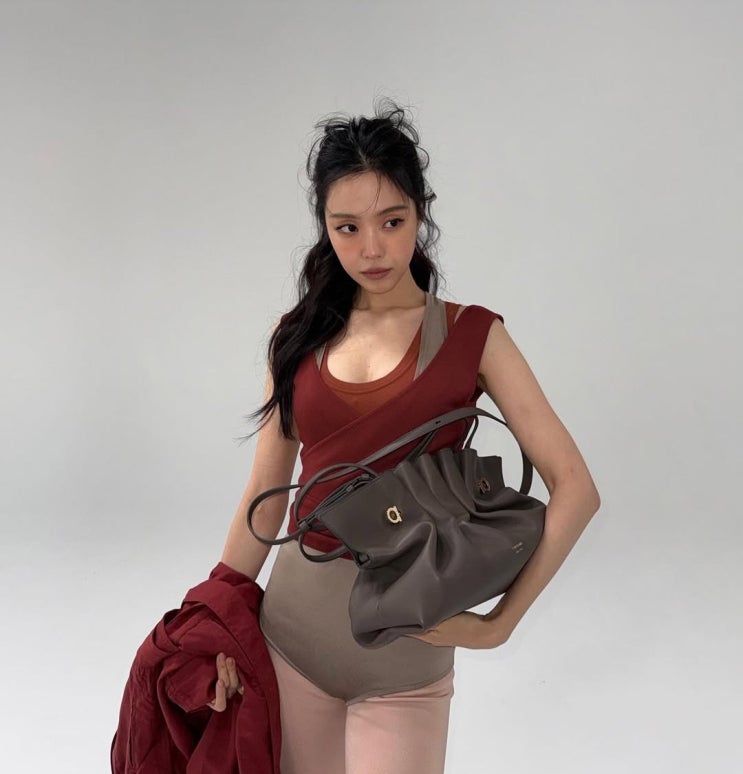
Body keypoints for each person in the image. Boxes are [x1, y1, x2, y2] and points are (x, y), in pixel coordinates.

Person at [211, 100, 601, 774]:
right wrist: (217, 616)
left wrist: (499, 624)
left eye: (392, 222)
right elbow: (264, 498)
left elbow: (576, 489)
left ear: (421, 214)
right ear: (324, 227)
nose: (372, 249)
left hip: (407, 661)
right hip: (289, 641)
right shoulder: (296, 336)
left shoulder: (473, 335)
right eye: (347, 227)